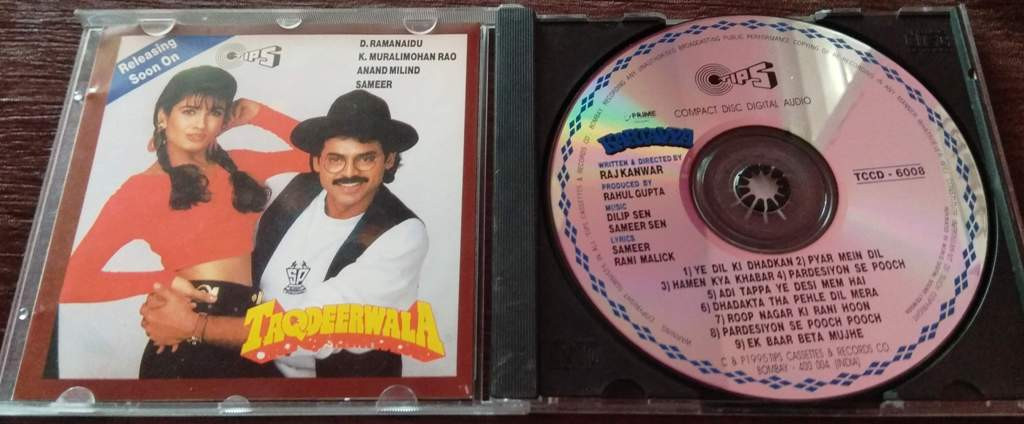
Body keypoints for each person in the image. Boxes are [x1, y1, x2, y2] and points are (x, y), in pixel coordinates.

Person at [141, 89, 428, 378]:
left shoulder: (402, 234)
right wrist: (167, 298)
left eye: (366, 159)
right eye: (335, 159)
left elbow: (312, 329)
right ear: (317, 162)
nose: (348, 172)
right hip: (253, 365)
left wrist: (193, 326)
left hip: (332, 389)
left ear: (389, 160)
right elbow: (210, 238)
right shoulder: (288, 191)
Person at [56, 65, 308, 378]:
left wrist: (259, 114)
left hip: (248, 323)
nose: (201, 123)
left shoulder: (241, 165)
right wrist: (162, 279)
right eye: (189, 111)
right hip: (186, 328)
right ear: (163, 117)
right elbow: (70, 283)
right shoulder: (139, 190)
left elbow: (325, 159)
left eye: (214, 112)